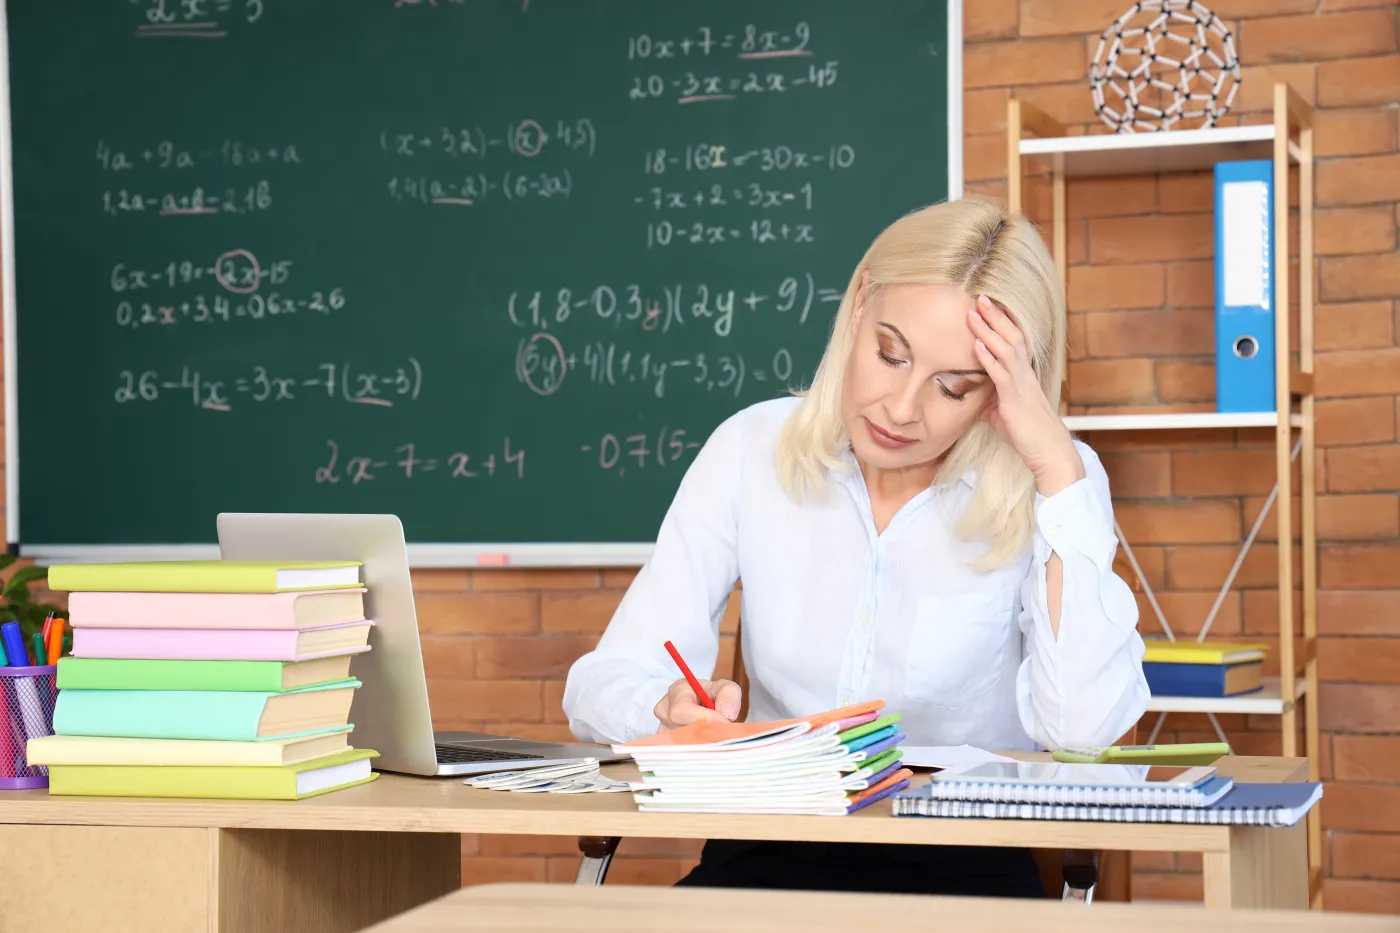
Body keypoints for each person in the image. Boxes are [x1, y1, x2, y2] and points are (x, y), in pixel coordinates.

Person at [562, 195, 1150, 897]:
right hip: (764, 859)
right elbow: (598, 684)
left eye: (954, 386)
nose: (903, 408)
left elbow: (1082, 734)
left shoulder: (1053, 487)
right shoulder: (751, 450)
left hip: (962, 874)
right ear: (858, 306)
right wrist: (664, 708)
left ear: (1001, 387)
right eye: (890, 354)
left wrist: (1057, 467)